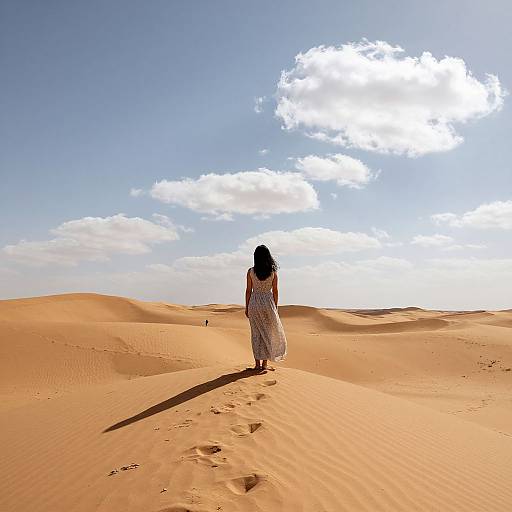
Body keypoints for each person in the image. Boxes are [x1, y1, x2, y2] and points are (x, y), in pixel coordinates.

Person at [245, 245, 287, 371]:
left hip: (254, 303)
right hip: (268, 304)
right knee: (267, 334)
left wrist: (247, 307)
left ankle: (257, 365)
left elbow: (248, 290)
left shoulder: (251, 271)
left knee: (256, 334)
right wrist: (275, 307)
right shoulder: (273, 272)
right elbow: (275, 291)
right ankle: (264, 365)